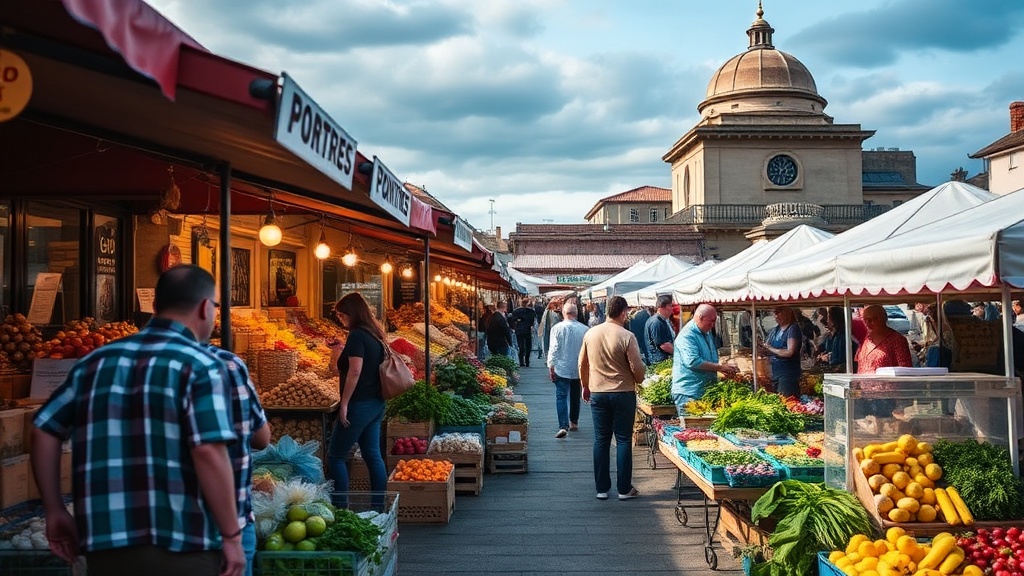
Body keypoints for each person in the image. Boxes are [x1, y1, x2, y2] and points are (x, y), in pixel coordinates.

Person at [31, 265, 245, 576]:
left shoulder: (93, 362)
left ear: (155, 306)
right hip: (184, 543)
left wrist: (54, 510)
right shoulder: (201, 365)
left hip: (105, 545)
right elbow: (209, 450)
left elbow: (43, 430)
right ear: (204, 308)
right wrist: (232, 535)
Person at [205, 344, 272, 576]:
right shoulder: (223, 363)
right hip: (220, 522)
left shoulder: (107, 359)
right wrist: (232, 537)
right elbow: (261, 438)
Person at [578, 296, 646, 501]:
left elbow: (582, 363)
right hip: (623, 392)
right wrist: (640, 378)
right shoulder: (627, 336)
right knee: (623, 439)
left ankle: (601, 488)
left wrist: (585, 385)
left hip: (598, 392)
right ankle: (624, 489)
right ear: (623, 312)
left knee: (601, 439)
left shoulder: (591, 333)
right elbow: (637, 368)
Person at [326, 292, 389, 508]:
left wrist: (344, 403)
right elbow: (349, 367)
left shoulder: (356, 336)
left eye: (341, 315)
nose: (340, 319)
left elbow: (355, 371)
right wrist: (338, 350)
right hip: (376, 403)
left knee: (335, 456)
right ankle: (378, 507)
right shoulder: (374, 334)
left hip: (359, 404)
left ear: (351, 313)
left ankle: (341, 508)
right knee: (372, 455)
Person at [671, 304, 738, 416]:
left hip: (703, 391)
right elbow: (693, 362)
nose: (712, 325)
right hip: (689, 393)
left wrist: (722, 368)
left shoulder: (706, 333)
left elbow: (709, 357)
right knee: (693, 426)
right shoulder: (687, 335)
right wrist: (720, 367)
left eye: (714, 321)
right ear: (700, 317)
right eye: (711, 321)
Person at [547, 301, 589, 438]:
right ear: (576, 314)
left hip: (561, 367)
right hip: (578, 368)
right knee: (576, 395)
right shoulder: (585, 329)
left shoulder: (556, 328)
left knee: (561, 396)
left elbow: (554, 348)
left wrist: (551, 365)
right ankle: (574, 422)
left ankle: (563, 425)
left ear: (564, 313)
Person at [855, 304, 914, 374]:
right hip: (862, 380)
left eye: (872, 319)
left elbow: (905, 370)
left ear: (883, 318)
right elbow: (857, 362)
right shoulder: (864, 339)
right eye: (865, 320)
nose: (868, 323)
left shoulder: (897, 340)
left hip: (886, 381)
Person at [759, 306, 802, 397]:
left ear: (787, 312)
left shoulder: (792, 329)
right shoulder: (775, 330)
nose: (776, 315)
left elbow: (790, 352)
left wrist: (770, 348)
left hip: (787, 375)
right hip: (775, 373)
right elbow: (769, 350)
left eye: (778, 312)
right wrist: (763, 351)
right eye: (774, 313)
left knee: (787, 401)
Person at [645, 295, 676, 365]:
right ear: (666, 307)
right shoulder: (657, 322)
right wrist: (678, 353)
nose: (672, 309)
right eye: (671, 306)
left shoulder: (661, 320)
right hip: (659, 362)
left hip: (660, 361)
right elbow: (664, 345)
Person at [509, 297, 538, 367]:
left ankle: (521, 361)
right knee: (528, 346)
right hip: (528, 330)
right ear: (528, 303)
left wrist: (518, 321)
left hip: (519, 330)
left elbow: (512, 319)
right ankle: (527, 361)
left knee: (521, 346)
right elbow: (533, 321)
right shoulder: (531, 311)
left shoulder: (516, 311)